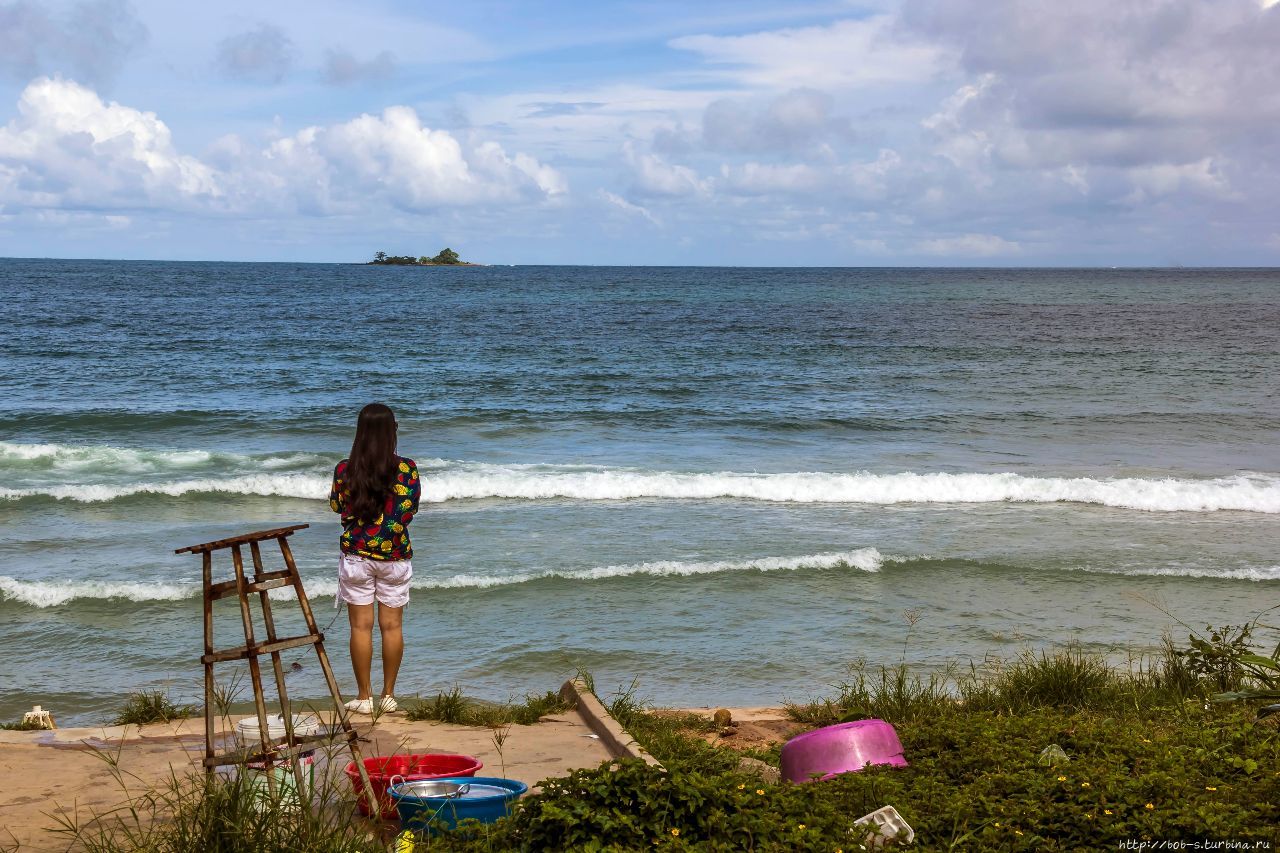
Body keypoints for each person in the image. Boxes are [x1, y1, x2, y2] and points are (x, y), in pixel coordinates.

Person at [328, 403, 421, 714]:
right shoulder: (407, 468)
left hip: (356, 556)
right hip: (394, 556)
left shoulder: (345, 469)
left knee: (361, 628)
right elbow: (408, 511)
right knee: (392, 627)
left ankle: (364, 697)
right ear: (392, 430)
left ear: (361, 432)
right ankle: (389, 695)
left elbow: (337, 506)